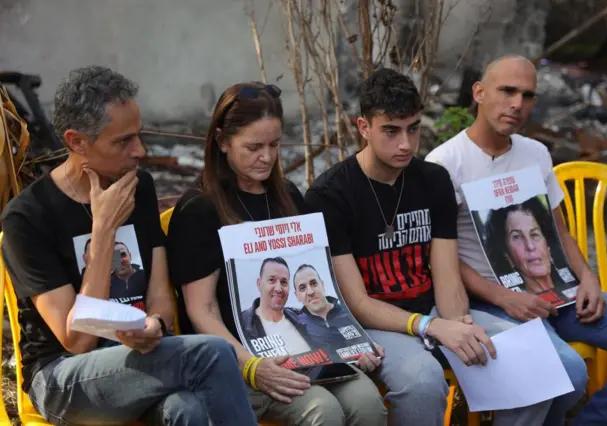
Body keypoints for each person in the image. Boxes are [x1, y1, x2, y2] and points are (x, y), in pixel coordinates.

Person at [0, 65, 258, 426]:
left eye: (137, 135)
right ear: (76, 142)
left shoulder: (141, 187)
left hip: (138, 359)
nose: (140, 150)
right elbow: (77, 339)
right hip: (63, 376)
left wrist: (154, 325)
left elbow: (160, 301)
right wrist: (103, 230)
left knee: (187, 411)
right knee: (212, 354)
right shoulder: (28, 216)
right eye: (123, 141)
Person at [305, 67, 552, 426]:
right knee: (423, 380)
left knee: (530, 360)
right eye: (391, 131)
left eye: (413, 128)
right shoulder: (330, 195)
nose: (405, 143)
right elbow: (355, 302)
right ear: (363, 128)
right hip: (377, 324)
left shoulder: (434, 179)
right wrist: (430, 328)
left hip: (434, 310)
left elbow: (446, 271)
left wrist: (457, 324)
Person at [426, 54, 607, 425]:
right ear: (478, 92)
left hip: (560, 293)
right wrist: (503, 297)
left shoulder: (536, 153)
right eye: (507, 91)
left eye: (527, 96)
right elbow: (440, 256)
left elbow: (558, 229)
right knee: (567, 375)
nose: (517, 104)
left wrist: (587, 277)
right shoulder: (446, 163)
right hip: (491, 301)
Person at [165, 81, 387, 426]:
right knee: (322, 412)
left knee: (367, 402)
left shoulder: (289, 196)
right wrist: (252, 367)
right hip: (240, 361)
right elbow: (202, 311)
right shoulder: (199, 211)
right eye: (253, 147)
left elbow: (316, 288)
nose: (266, 157)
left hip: (307, 348)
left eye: (274, 145)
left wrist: (350, 341)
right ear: (222, 141)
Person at [241, 257, 312, 355]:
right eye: (271, 280)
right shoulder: (242, 323)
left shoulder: (303, 317)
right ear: (259, 284)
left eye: (284, 282)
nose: (278, 288)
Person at [293, 263, 355, 351]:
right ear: (297, 296)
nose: (310, 292)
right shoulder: (297, 325)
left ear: (322, 285)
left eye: (314, 283)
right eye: (302, 288)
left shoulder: (348, 309)